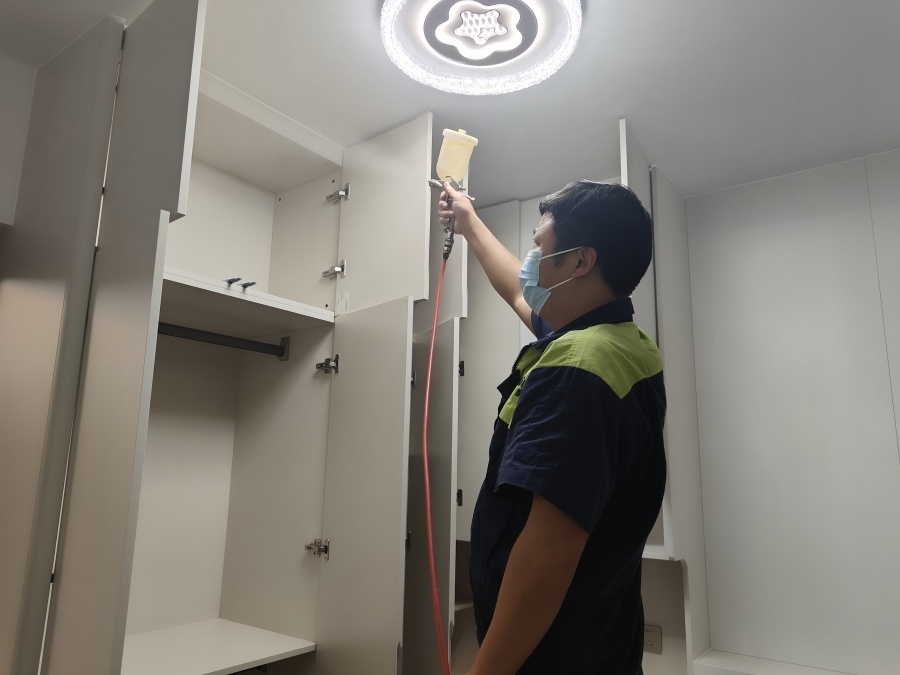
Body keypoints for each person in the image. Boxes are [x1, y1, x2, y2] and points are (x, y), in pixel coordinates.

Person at [439, 180, 666, 675]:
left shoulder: (578, 369)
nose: (530, 259)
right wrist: (469, 222)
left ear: (580, 261)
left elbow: (550, 551)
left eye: (539, 245)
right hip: (600, 641)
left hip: (555, 655)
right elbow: (516, 291)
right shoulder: (619, 341)